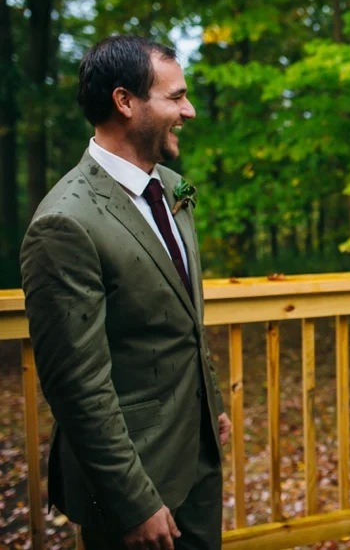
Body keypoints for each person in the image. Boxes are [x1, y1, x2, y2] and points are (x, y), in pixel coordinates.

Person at [19, 35, 230, 550]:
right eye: (175, 97)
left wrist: (212, 404)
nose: (190, 110)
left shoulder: (171, 188)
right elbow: (76, 385)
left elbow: (178, 318)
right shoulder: (65, 222)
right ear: (125, 101)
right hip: (134, 482)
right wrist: (132, 500)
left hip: (196, 454)